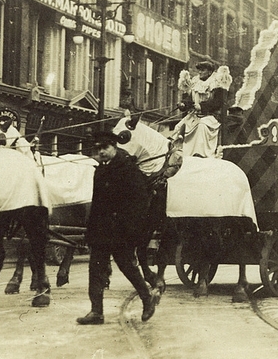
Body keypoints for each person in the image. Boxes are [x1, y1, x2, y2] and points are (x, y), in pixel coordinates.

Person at [77, 130, 160, 325]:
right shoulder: (100, 170)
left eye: (105, 148)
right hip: (101, 231)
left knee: (127, 267)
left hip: (121, 231)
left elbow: (139, 204)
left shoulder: (129, 170)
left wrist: (130, 232)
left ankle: (147, 299)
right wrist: (91, 232)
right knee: (95, 269)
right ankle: (96, 311)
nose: (102, 152)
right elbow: (97, 204)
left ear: (114, 147)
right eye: (98, 149)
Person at [171, 61, 232, 158]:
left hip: (211, 116)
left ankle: (200, 154)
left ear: (209, 72)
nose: (199, 72)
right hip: (195, 115)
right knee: (179, 126)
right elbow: (190, 99)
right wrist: (184, 104)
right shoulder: (196, 82)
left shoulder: (216, 82)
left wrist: (202, 106)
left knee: (201, 126)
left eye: (202, 70)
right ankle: (179, 153)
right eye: (199, 70)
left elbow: (218, 102)